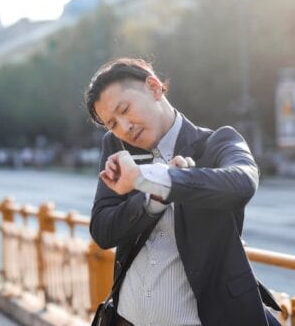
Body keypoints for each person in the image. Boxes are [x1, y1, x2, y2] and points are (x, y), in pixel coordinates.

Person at [85, 58, 281, 326]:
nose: (125, 128)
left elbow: (242, 183)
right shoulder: (116, 146)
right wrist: (152, 197)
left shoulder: (217, 141)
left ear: (154, 88)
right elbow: (103, 231)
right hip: (127, 319)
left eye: (125, 109)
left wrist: (164, 179)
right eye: (112, 123)